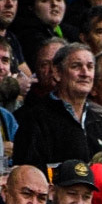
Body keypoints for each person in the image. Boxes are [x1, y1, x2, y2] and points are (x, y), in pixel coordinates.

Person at [10, 40, 95, 168]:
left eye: (90, 67)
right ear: (57, 73)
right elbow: (28, 173)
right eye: (76, 66)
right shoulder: (35, 119)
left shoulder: (100, 121)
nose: (85, 73)